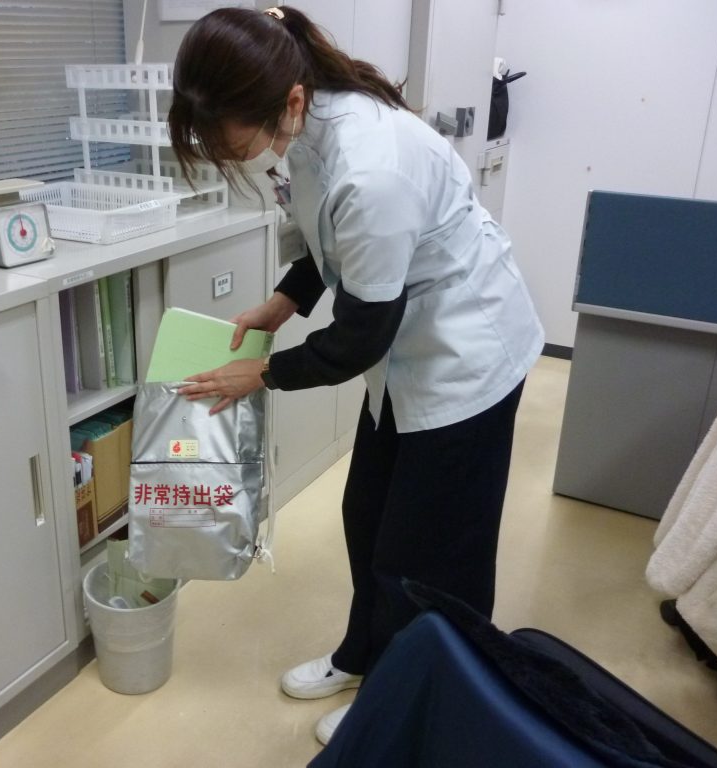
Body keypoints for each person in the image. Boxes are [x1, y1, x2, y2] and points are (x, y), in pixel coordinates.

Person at [168, 5, 545, 746]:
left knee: (433, 556)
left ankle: (417, 700)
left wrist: (260, 375)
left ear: (289, 100)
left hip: (465, 360)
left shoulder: (372, 166)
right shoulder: (308, 122)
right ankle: (364, 655)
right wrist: (282, 302)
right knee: (367, 516)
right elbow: (328, 241)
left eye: (230, 142)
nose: (227, 155)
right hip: (407, 355)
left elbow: (357, 339)